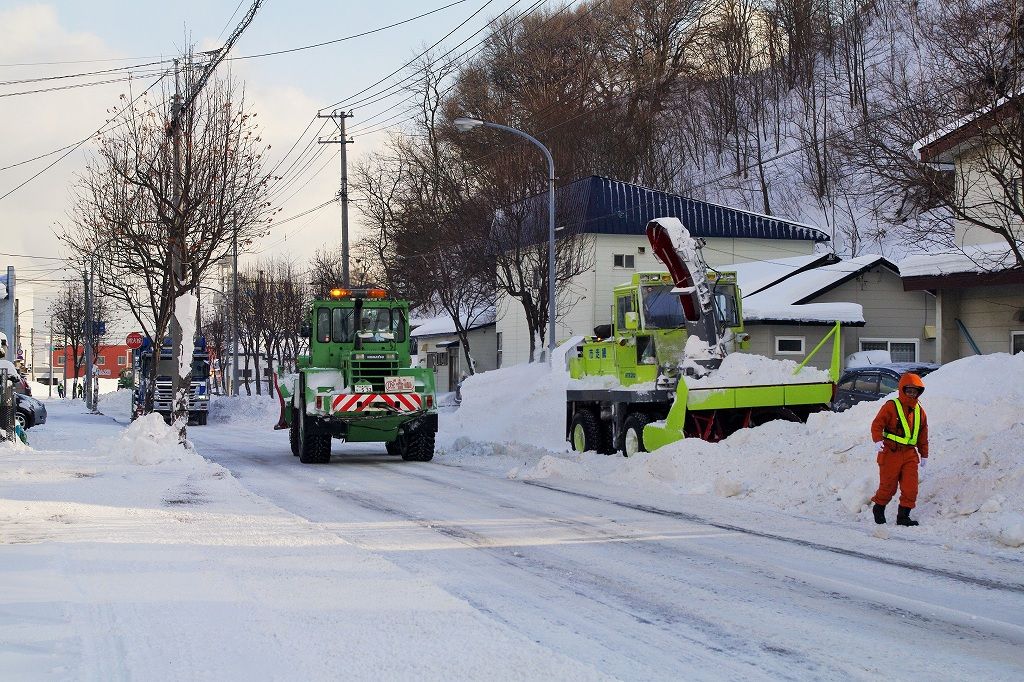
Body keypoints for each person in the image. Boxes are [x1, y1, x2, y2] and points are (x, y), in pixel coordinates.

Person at [871, 373, 929, 526]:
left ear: (919, 392)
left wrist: (924, 454)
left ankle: (903, 517)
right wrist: (877, 439)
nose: (911, 394)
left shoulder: (920, 411)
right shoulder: (891, 406)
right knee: (888, 487)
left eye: (914, 391)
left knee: (911, 488)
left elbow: (923, 434)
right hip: (891, 452)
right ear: (902, 390)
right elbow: (877, 424)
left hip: (910, 454)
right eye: (908, 390)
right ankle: (879, 508)